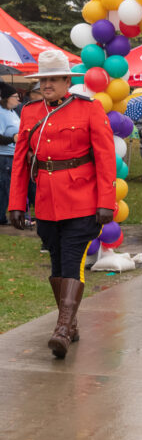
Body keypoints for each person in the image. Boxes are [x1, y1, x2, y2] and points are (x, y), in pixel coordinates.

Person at [8, 50, 116, 359]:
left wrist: (106, 201)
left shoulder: (89, 108)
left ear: (68, 81)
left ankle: (63, 329)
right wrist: (16, 203)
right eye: (43, 80)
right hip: (46, 201)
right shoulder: (30, 112)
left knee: (71, 260)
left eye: (54, 79)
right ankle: (72, 323)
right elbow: (20, 161)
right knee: (56, 262)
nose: (47, 85)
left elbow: (105, 157)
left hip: (82, 200)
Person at [0, 82, 20, 225]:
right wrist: (13, 138)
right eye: (15, 97)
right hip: (4, 157)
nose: (18, 100)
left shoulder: (12, 112)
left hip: (14, 155)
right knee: (4, 188)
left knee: (9, 188)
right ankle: (1, 217)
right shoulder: (1, 113)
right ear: (7, 98)